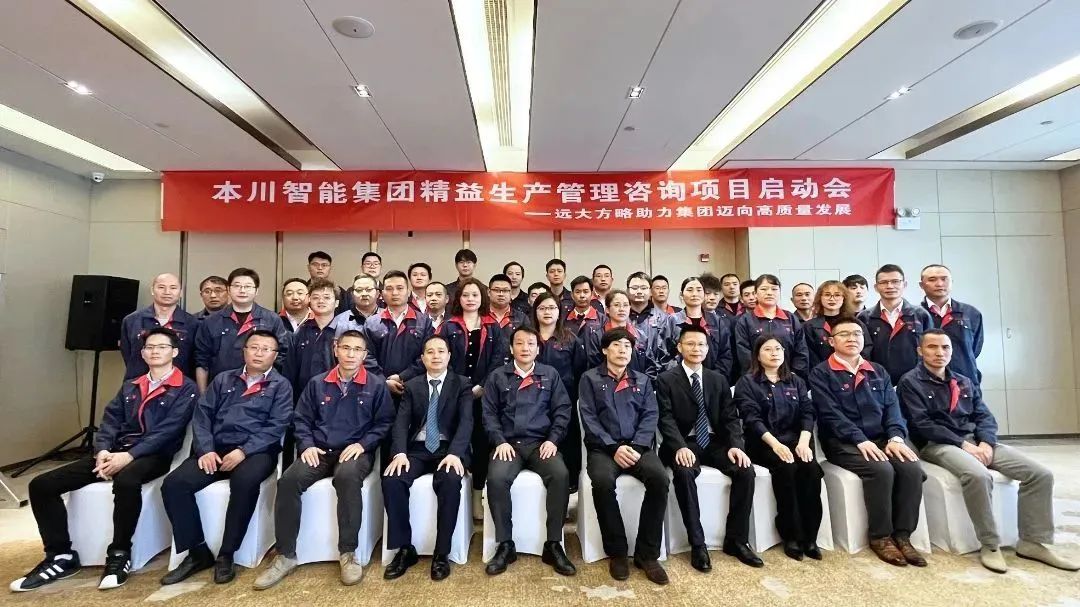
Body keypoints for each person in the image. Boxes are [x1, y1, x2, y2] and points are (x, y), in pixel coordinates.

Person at [11, 328, 197, 592]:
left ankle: (119, 553)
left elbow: (167, 432)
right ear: (143, 354)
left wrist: (129, 456)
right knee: (41, 485)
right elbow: (110, 420)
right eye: (149, 347)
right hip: (115, 452)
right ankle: (60, 555)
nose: (155, 351)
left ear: (175, 352)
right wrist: (102, 450)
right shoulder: (131, 385)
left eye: (162, 347)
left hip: (154, 455)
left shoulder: (186, 389)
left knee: (127, 480)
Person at [898, 330, 1078, 573]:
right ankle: (990, 544)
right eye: (932, 347)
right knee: (977, 475)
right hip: (938, 444)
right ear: (920, 351)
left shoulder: (963, 381)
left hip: (976, 440)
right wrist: (963, 445)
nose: (939, 352)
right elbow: (922, 424)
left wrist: (986, 442)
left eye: (945, 347)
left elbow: (984, 416)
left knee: (1040, 474)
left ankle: (1032, 542)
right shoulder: (910, 382)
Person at [254, 330, 394, 589]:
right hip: (318, 451)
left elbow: (384, 423)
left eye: (357, 350)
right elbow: (301, 419)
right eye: (346, 348)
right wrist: (306, 445)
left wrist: (363, 444)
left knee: (347, 477)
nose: (350, 354)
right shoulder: (317, 383)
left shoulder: (376, 385)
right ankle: (285, 555)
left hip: (355, 452)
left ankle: (348, 553)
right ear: (336, 350)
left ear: (364, 355)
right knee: (288, 481)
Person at [161, 330, 292, 585]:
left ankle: (227, 553)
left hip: (256, 452)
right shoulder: (223, 379)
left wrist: (244, 451)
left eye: (266, 349)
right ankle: (197, 552)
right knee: (174, 484)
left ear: (275, 356)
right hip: (215, 450)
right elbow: (202, 416)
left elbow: (277, 426)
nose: (259, 353)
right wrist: (206, 449)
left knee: (244, 482)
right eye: (254, 347)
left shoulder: (281, 385)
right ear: (244, 351)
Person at [809, 317, 926, 568]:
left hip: (882, 439)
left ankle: (903, 535)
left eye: (857, 334)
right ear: (831, 341)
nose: (852, 338)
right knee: (881, 470)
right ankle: (880, 536)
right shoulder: (821, 373)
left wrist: (896, 438)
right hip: (843, 442)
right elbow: (830, 415)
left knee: (912, 468)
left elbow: (893, 409)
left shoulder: (878, 370)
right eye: (844, 334)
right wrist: (859, 439)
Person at [658, 326, 760, 571]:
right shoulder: (666, 379)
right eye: (690, 344)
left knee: (745, 470)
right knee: (684, 473)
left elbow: (730, 417)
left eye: (701, 344)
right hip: (683, 442)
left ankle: (737, 540)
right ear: (679, 347)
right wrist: (679, 446)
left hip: (714, 442)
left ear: (707, 348)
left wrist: (736, 446)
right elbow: (665, 419)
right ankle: (697, 544)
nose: (696, 349)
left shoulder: (718, 379)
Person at [579, 328, 669, 585]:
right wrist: (612, 448)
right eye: (617, 345)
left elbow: (650, 416)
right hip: (603, 449)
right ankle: (617, 551)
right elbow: (589, 417)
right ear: (605, 350)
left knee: (660, 479)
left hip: (638, 447)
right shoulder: (590, 379)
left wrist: (637, 447)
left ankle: (647, 554)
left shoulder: (642, 380)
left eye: (627, 346)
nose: (622, 350)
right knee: (602, 482)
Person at [482, 326, 575, 576]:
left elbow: (562, 411)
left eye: (531, 343)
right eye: (520, 343)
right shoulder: (498, 376)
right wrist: (499, 441)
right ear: (511, 348)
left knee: (560, 475)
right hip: (508, 445)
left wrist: (553, 440)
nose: (525, 348)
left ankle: (553, 544)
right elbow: (489, 414)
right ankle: (505, 544)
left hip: (541, 444)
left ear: (538, 348)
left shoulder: (550, 375)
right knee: (496, 478)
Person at [382, 336, 473, 582]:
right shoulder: (413, 386)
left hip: (448, 448)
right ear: (422, 358)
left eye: (441, 351)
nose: (435, 356)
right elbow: (401, 423)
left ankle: (442, 553)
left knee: (450, 481)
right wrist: (399, 453)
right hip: (417, 449)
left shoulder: (462, 384)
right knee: (393, 479)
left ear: (449, 356)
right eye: (430, 352)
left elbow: (466, 422)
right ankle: (404, 549)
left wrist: (455, 453)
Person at [734, 336, 822, 561]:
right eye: (767, 349)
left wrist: (804, 442)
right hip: (763, 443)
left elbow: (807, 413)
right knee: (787, 469)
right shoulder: (748, 382)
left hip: (797, 442)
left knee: (811, 470)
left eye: (778, 349)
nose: (774, 353)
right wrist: (776, 445)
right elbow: (752, 419)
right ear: (757, 354)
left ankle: (810, 537)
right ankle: (791, 535)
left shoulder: (796, 381)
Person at [440, 278, 508, 510]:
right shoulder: (449, 326)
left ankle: (478, 494)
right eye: (466, 295)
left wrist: (483, 386)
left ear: (482, 298)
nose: (470, 299)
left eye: (475, 295)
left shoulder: (493, 326)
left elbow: (498, 360)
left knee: (480, 443)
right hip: (453, 392)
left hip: (483, 394)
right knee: (455, 438)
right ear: (458, 298)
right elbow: (443, 358)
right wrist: (459, 387)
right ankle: (458, 491)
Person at [194, 268, 288, 393]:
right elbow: (201, 361)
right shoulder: (211, 321)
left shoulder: (271, 319)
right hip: (220, 389)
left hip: (261, 389)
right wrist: (203, 394)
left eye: (248, 286)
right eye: (237, 286)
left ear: (256, 291)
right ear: (229, 289)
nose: (242, 290)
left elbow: (281, 355)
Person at [532, 292, 588, 491]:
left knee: (567, 438)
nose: (547, 312)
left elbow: (580, 371)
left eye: (552, 308)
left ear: (559, 311)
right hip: (532, 399)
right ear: (535, 311)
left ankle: (569, 482)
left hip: (564, 400)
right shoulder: (528, 338)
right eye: (542, 308)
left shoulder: (570, 339)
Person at [281, 278, 339, 467]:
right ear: (309, 301)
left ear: (336, 303)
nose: (321, 301)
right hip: (303, 402)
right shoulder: (300, 333)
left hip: (337, 403)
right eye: (316, 297)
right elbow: (289, 372)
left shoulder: (345, 332)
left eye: (327, 297)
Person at [364, 271, 434, 419]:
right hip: (379, 390)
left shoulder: (424, 322)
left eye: (400, 288)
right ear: (382, 293)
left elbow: (428, 355)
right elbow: (366, 356)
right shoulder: (371, 323)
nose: (394, 293)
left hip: (414, 388)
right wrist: (384, 381)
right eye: (389, 289)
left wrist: (402, 376)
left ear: (408, 292)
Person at [859, 264, 933, 387]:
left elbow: (931, 348)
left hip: (916, 383)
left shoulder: (921, 315)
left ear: (904, 285)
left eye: (895, 281)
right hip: (877, 383)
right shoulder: (864, 317)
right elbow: (862, 353)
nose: (890, 286)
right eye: (884, 282)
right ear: (876, 287)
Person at [120, 273, 196, 380]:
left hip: (180, 386)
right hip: (138, 384)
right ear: (152, 290)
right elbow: (127, 354)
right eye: (161, 287)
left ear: (181, 292)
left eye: (173, 288)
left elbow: (195, 359)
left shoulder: (193, 323)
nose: (167, 292)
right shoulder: (131, 320)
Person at [919, 264, 984, 386]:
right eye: (932, 279)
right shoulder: (915, 315)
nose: (939, 284)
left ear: (952, 282)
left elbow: (974, 349)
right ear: (921, 285)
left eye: (944, 279)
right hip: (926, 384)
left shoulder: (971, 313)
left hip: (965, 382)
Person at [735, 274, 809, 378]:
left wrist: (793, 375)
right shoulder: (745, 320)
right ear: (755, 293)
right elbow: (744, 354)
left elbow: (801, 350)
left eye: (774, 289)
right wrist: (759, 376)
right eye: (764, 289)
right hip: (757, 379)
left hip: (789, 378)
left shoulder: (791, 318)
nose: (769, 293)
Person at [582, 290, 666, 380]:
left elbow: (650, 366)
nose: (621, 309)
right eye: (616, 305)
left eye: (625, 305)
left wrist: (643, 384)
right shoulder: (598, 336)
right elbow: (594, 366)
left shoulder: (640, 335)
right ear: (607, 310)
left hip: (637, 385)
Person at [668, 277, 732, 379]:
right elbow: (664, 354)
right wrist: (679, 376)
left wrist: (713, 377)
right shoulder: (672, 321)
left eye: (699, 290)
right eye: (690, 290)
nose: (694, 294)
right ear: (681, 295)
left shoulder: (717, 321)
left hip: (712, 379)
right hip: (679, 379)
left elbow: (725, 354)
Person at [803, 280, 870, 368]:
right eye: (827, 295)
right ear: (820, 298)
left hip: (854, 370)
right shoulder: (809, 326)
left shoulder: (855, 323)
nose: (832, 299)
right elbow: (810, 355)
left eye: (837, 295)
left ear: (844, 298)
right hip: (822, 372)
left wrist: (854, 366)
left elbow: (867, 347)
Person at [626, 272, 673, 339]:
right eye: (634, 288)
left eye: (643, 288)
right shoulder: (621, 316)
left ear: (651, 292)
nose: (639, 292)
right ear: (627, 291)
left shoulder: (664, 319)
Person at [306, 251, 351, 315]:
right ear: (308, 267)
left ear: (330, 268)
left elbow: (344, 315)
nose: (320, 268)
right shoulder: (302, 289)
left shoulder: (341, 293)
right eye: (315, 264)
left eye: (324, 265)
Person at [488, 273, 528, 338]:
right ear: (489, 292)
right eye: (497, 290)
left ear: (511, 293)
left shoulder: (522, 318)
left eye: (505, 290)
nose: (501, 294)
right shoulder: (480, 315)